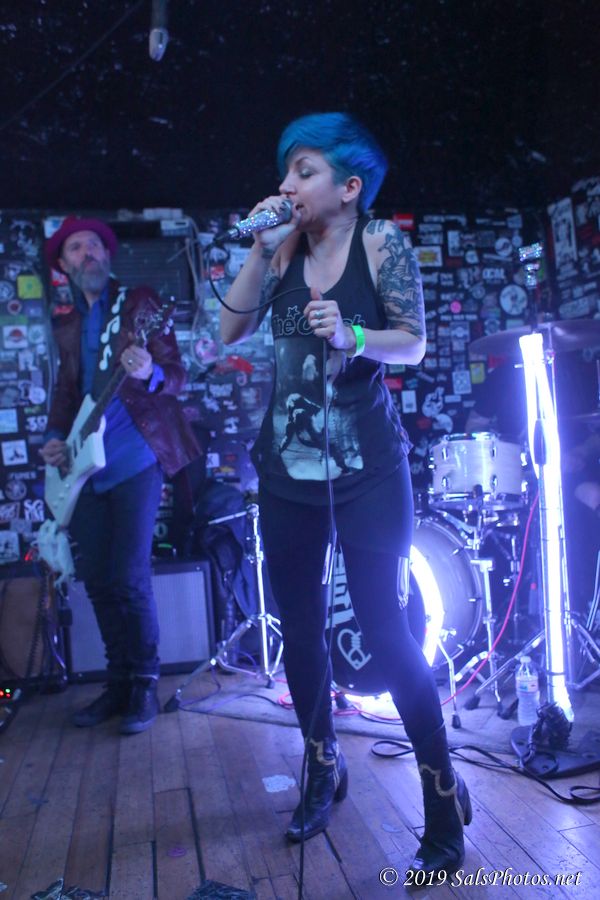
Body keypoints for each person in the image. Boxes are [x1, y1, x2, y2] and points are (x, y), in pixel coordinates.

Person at [220, 112, 471, 877]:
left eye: (304, 170)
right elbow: (230, 331)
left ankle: (441, 796)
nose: (287, 183)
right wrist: (259, 249)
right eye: (285, 170)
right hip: (288, 471)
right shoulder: (283, 247)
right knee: (300, 631)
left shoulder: (380, 242)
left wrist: (353, 336)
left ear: (350, 186)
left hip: (367, 471)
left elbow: (414, 341)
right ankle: (323, 769)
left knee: (386, 630)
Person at [41, 217, 200, 734]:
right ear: (63, 265)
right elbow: (68, 393)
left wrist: (148, 372)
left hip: (135, 459)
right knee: (97, 580)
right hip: (84, 468)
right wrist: (56, 437)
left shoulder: (139, 305)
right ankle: (117, 683)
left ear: (107, 255)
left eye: (94, 244)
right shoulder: (68, 324)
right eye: (75, 248)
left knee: (130, 578)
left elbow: (176, 375)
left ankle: (145, 685)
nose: (87, 252)